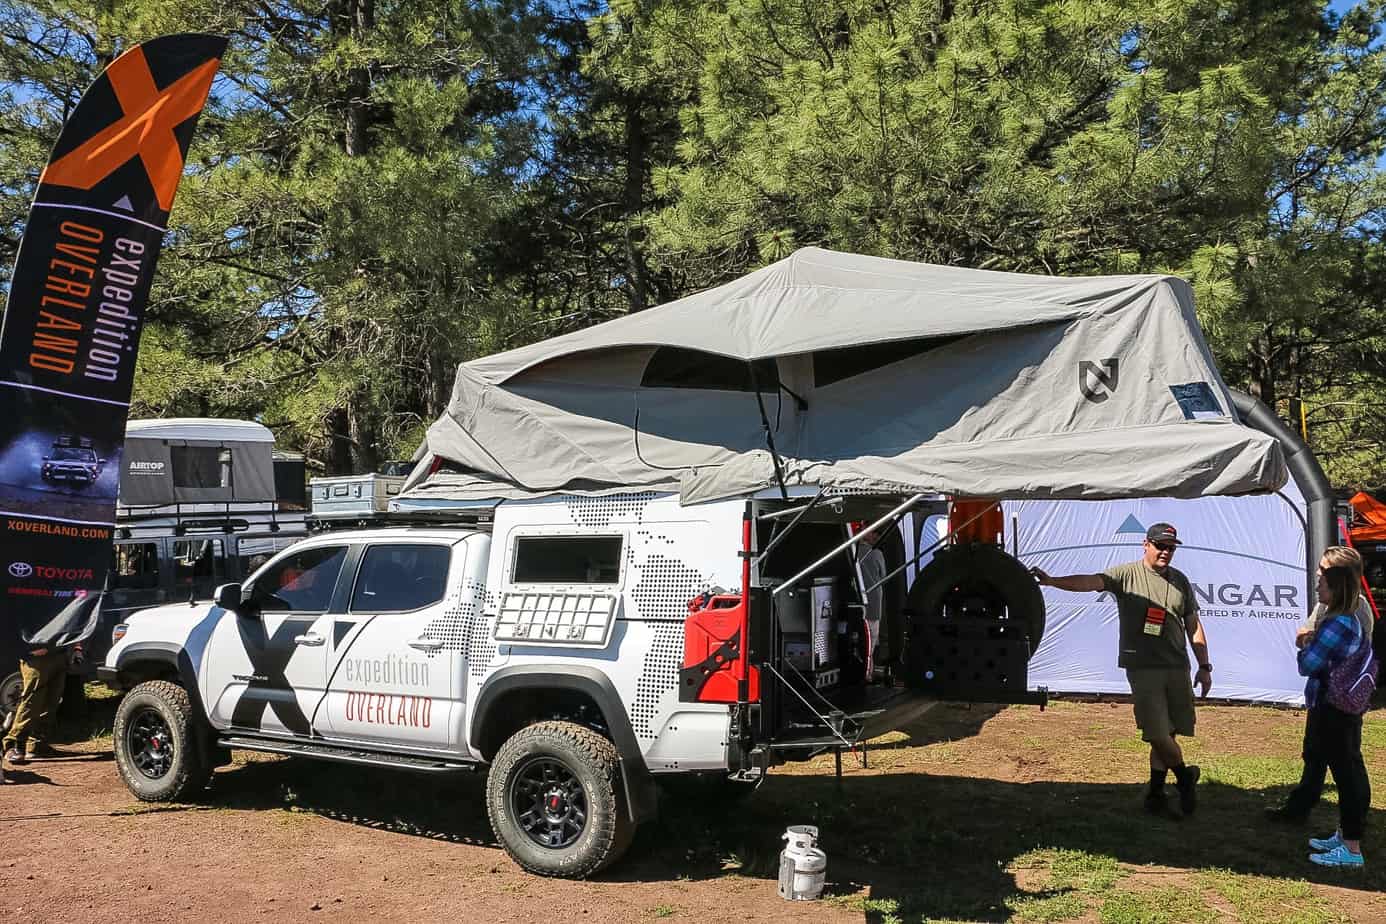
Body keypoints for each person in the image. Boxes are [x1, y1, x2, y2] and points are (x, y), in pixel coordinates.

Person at [1030, 522, 1212, 818]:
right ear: (1146, 544)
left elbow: (1193, 625)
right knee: (1156, 731)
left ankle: (1155, 794)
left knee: (1169, 732)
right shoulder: (1126, 574)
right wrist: (1052, 581)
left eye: (1170, 548)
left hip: (1177, 665)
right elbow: (1090, 582)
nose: (1165, 552)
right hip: (1143, 667)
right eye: (1160, 546)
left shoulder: (1180, 580)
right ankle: (1184, 777)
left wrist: (1205, 666)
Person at [1269, 546, 1373, 868]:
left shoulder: (1340, 622)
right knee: (1339, 767)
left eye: (1323, 578)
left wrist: (1309, 645)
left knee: (1345, 774)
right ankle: (1343, 836)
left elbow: (1307, 663)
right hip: (1339, 702)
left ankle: (1352, 848)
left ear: (1337, 584)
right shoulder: (1345, 615)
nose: (1317, 583)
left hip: (1335, 705)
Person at [3, 639, 82, 769]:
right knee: (31, 702)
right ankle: (13, 745)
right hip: (35, 656)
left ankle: (36, 745)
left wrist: (77, 648)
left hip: (59, 653)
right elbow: (14, 623)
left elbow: (73, 622)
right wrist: (26, 648)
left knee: (52, 701)